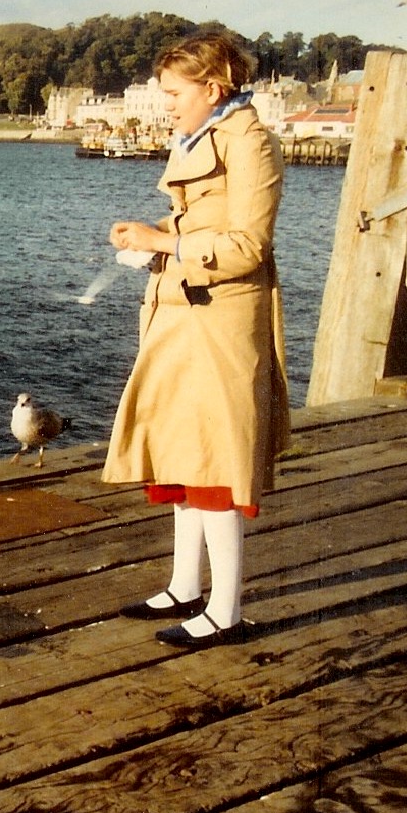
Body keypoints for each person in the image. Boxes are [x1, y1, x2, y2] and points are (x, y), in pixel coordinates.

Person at [104, 32, 290, 647]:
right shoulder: (203, 136)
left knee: (215, 465)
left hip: (221, 322)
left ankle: (226, 611)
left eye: (175, 93)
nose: (167, 105)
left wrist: (164, 244)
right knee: (184, 454)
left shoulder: (251, 141)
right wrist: (150, 230)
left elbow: (248, 247)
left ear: (213, 89)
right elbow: (200, 223)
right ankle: (186, 586)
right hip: (183, 314)